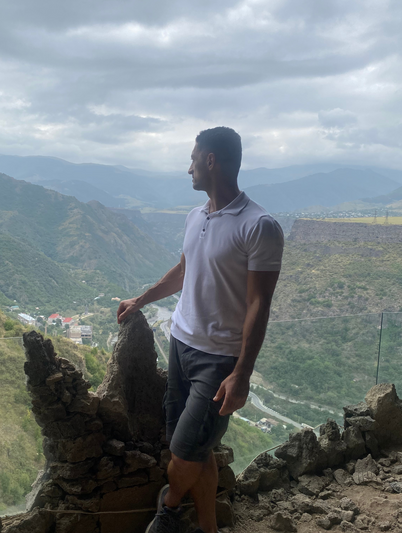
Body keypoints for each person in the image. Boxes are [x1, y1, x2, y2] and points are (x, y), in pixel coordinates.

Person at [117, 127, 284, 533]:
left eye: (193, 159)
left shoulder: (259, 226)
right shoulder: (196, 216)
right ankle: (208, 529)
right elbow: (185, 269)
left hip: (219, 359)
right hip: (180, 345)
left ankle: (169, 508)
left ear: (211, 161)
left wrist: (241, 373)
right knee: (198, 451)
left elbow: (260, 303)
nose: (187, 167)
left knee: (184, 452)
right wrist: (142, 300)